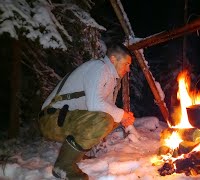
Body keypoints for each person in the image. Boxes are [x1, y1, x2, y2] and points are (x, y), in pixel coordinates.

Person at [38, 43, 135, 180]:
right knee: (104, 120)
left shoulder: (109, 78)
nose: (128, 69)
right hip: (51, 118)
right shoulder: (99, 67)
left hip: (63, 118)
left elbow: (107, 110)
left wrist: (124, 118)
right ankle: (63, 166)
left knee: (111, 119)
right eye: (127, 64)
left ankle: (76, 154)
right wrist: (122, 114)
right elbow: (95, 105)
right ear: (113, 59)